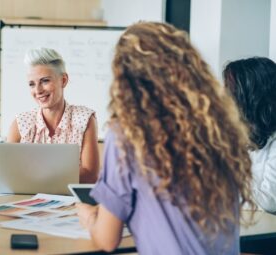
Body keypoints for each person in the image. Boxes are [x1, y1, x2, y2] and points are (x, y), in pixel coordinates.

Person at [77, 22, 254, 254]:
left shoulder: (126, 134)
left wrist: (88, 216)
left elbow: (107, 240)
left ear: (125, 79)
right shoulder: (219, 128)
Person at [0, 47, 100, 184]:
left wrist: (33, 173)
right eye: (32, 84)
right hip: (26, 202)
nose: (38, 90)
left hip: (71, 203)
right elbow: (2, 174)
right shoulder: (20, 123)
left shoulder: (85, 119)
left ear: (63, 80)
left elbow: (90, 176)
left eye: (45, 81)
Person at [223, 57, 276, 214]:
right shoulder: (241, 137)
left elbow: (268, 201)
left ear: (253, 98)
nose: (224, 97)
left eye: (231, 91)